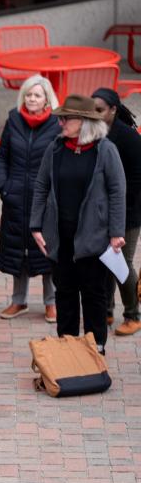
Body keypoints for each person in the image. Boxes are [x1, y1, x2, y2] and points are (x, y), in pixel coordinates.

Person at [31, 94, 126, 354]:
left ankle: (96, 346)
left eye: (66, 118)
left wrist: (116, 232)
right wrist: (36, 225)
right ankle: (68, 344)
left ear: (84, 121)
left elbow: (118, 191)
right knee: (65, 292)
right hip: (61, 236)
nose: (61, 123)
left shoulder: (105, 150)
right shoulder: (56, 148)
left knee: (94, 293)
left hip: (94, 237)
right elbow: (41, 186)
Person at [0, 75, 59, 323]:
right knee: (18, 248)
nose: (32, 99)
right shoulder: (13, 120)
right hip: (16, 199)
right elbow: (2, 156)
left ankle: (51, 303)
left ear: (46, 99)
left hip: (46, 200)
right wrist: (4, 188)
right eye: (29, 94)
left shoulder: (56, 124)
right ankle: (18, 300)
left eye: (37, 95)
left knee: (47, 249)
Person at [93, 88, 141, 337]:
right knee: (105, 262)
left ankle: (133, 314)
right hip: (103, 212)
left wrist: (120, 210)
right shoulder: (94, 134)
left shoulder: (129, 138)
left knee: (122, 262)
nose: (95, 114)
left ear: (113, 110)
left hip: (129, 212)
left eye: (100, 110)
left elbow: (135, 181)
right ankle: (106, 310)